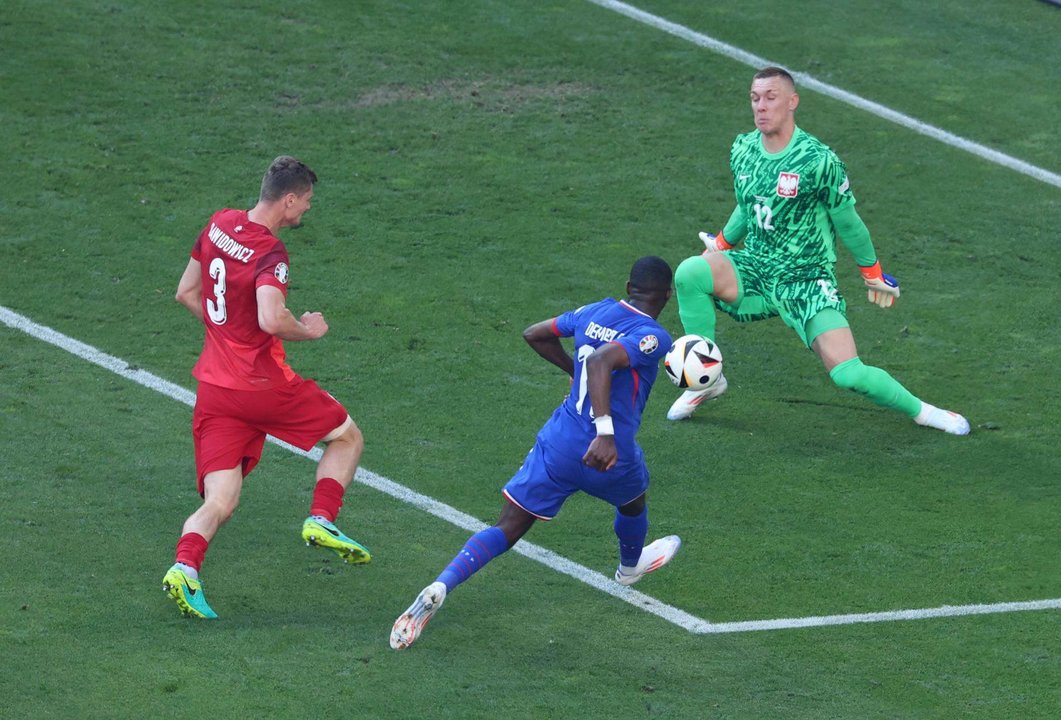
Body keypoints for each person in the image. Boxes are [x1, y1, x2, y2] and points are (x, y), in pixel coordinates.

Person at [389, 256, 682, 650]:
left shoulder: (591, 311)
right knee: (633, 503)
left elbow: (534, 334)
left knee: (508, 527)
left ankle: (442, 583)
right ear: (667, 295)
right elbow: (599, 361)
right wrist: (605, 433)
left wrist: (572, 372)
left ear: (629, 286)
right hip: (610, 454)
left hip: (559, 443)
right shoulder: (654, 335)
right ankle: (629, 568)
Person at [669, 66, 969, 435]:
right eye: (755, 98)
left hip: (806, 280)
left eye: (771, 97)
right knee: (689, 273)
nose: (761, 106)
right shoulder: (743, 149)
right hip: (757, 268)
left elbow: (848, 222)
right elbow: (748, 205)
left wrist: (872, 273)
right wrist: (722, 245)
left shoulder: (818, 161)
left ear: (792, 102)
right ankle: (708, 380)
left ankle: (925, 412)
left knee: (848, 374)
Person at [162, 156, 371, 620]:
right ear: (289, 199)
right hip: (261, 386)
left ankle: (185, 568)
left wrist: (224, 333)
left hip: (214, 391)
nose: (307, 212)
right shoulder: (269, 253)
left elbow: (185, 292)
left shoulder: (219, 223)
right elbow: (270, 318)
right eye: (307, 203)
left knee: (222, 500)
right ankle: (322, 519)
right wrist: (309, 329)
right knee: (347, 436)